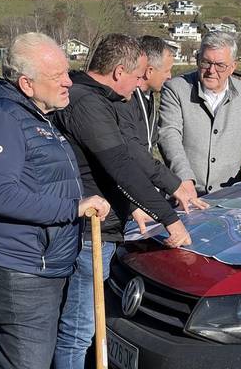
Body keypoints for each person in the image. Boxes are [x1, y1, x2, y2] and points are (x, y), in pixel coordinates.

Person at [0, 32, 110, 369]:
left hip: (44, 269)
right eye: (57, 75)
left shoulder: (36, 117)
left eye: (67, 72)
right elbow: (0, 195)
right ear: (27, 84)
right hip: (20, 274)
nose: (68, 82)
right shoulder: (3, 118)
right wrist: (72, 207)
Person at [52, 33, 191, 369]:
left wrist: (131, 206)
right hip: (90, 233)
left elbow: (103, 164)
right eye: (138, 75)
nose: (140, 83)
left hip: (102, 225)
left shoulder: (95, 98)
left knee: (81, 327)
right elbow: (120, 164)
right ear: (118, 72)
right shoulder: (87, 104)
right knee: (77, 331)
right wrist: (170, 219)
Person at [158, 31, 241, 197]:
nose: (211, 70)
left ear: (232, 67)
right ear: (198, 59)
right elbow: (169, 136)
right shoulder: (175, 89)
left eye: (220, 65)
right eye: (206, 62)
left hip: (228, 196)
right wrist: (184, 178)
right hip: (183, 195)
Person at [116, 35, 208, 212]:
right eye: (167, 71)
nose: (169, 76)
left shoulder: (148, 98)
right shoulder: (127, 101)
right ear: (149, 71)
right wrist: (173, 186)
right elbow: (134, 154)